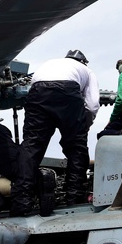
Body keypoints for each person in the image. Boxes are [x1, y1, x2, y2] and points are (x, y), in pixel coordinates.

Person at [13, 50, 99, 211]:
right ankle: (74, 198)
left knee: (32, 145)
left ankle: (21, 201)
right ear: (83, 62)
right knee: (76, 147)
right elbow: (93, 105)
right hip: (67, 89)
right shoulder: (86, 70)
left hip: (38, 90)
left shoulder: (50, 63)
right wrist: (83, 126)